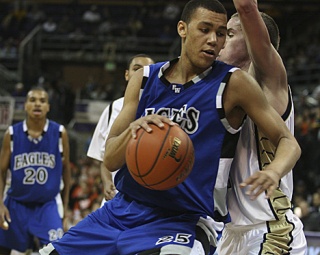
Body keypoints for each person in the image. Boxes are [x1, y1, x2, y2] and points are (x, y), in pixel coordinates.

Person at [39, 0, 301, 254]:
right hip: (219, 229)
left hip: (255, 225)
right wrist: (134, 133)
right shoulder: (148, 80)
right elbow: (109, 159)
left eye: (224, 33)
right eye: (206, 29)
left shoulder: (252, 82)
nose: (215, 40)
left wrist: (275, 171)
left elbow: (246, 8)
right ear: (182, 29)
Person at [216, 0, 307, 254]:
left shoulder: (266, 78)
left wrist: (247, 11)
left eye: (230, 34)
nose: (220, 41)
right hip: (230, 233)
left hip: (271, 230)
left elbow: (246, 7)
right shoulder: (221, 88)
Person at [0, 87, 71, 254]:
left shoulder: (60, 133)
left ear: (48, 107)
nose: (37, 104)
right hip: (17, 204)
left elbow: (66, 170)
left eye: (42, 101)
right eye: (32, 100)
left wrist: (65, 208)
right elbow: (1, 171)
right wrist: (0, 204)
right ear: (25, 105)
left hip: (47, 205)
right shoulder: (11, 134)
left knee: (57, 250)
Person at [87, 53, 154, 202]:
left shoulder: (161, 108)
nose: (141, 74)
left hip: (149, 197)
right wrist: (107, 183)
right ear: (126, 75)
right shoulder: (112, 108)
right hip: (117, 195)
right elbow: (103, 157)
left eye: (148, 70)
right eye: (137, 69)